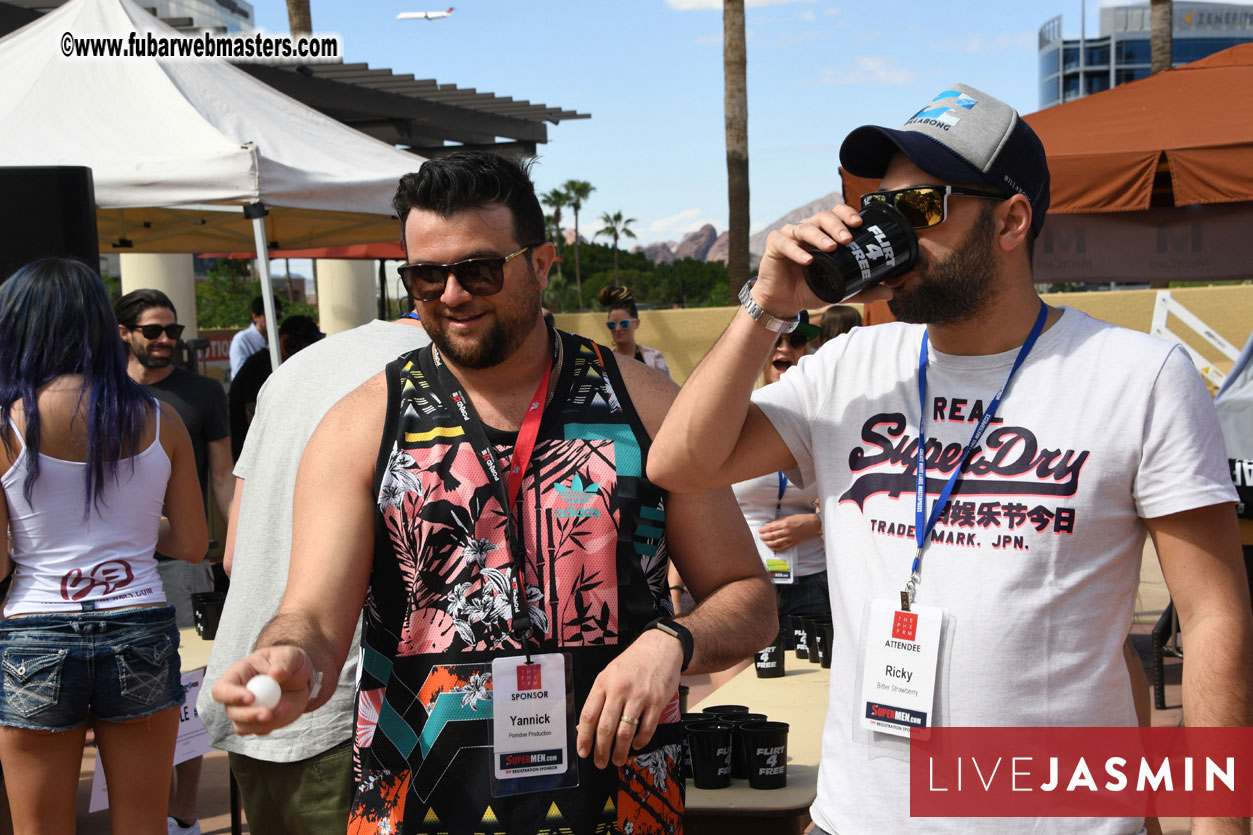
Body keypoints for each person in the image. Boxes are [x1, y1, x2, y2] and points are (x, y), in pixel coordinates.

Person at [648, 83, 1253, 835]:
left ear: (1010, 219)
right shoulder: (852, 363)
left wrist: (1218, 827)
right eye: (880, 209)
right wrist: (768, 303)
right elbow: (680, 462)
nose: (888, 231)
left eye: (919, 209)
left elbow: (1212, 615)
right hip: (856, 820)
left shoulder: (1139, 374)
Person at [212, 151, 776, 835]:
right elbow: (314, 617)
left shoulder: (648, 406)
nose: (452, 294)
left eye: (478, 269)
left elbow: (747, 597)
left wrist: (673, 641)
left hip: (621, 799)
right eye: (425, 275)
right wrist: (290, 654)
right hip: (417, 801)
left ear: (539, 264)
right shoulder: (360, 424)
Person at [0, 258, 208, 835]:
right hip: (138, 621)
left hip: (36, 628)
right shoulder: (160, 418)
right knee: (143, 823)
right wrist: (135, 531)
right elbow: (192, 543)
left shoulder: (5, 424)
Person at [199, 310, 428, 834]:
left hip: (254, 684)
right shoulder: (433, 381)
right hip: (344, 710)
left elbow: (233, 553)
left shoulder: (296, 370)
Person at [114, 288, 233, 835]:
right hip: (114, 564)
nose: (166, 341)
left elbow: (222, 476)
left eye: (174, 332)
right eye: (153, 331)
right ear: (124, 333)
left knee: (183, 686)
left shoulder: (203, 393)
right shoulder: (102, 394)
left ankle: (183, 813)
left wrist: (235, 548)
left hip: (184, 554)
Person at [731, 310, 828, 647]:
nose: (784, 349)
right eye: (775, 340)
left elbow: (856, 500)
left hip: (813, 582)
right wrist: (677, 587)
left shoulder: (827, 418)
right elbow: (697, 501)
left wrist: (813, 523)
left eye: (796, 340)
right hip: (748, 586)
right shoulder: (734, 415)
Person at [227, 314, 324, 461]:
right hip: (256, 462)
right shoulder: (258, 367)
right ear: (289, 343)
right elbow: (255, 419)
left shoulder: (282, 366)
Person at [598, 285, 671, 377]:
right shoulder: (604, 362)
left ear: (637, 323)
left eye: (624, 323)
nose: (618, 329)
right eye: (612, 325)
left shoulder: (653, 359)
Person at [228, 295, 283, 379]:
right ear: (255, 317)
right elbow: (239, 375)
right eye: (268, 316)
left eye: (277, 316)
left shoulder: (280, 338)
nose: (273, 320)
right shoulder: (242, 340)